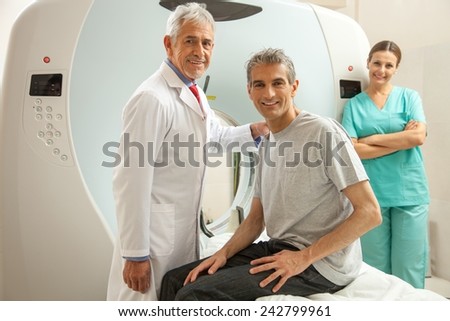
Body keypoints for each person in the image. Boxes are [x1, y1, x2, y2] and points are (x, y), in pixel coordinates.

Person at [159, 48, 382, 300]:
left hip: (323, 264)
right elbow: (256, 219)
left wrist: (302, 258)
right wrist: (223, 253)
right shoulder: (267, 142)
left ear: (293, 87)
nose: (269, 93)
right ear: (249, 91)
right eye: (260, 85)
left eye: (278, 83)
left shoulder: (323, 132)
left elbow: (370, 213)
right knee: (174, 280)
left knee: (193, 295)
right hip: (279, 247)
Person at [106, 2, 267, 301]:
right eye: (190, 40)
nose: (200, 51)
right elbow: (131, 180)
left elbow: (213, 138)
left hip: (181, 231)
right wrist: (135, 254)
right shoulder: (151, 99)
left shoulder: (194, 90)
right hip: (153, 241)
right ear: (169, 44)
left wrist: (254, 131)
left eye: (207, 43)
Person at [341, 40, 430, 289]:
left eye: (389, 65)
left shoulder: (409, 97)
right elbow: (353, 151)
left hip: (409, 192)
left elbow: (418, 137)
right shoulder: (355, 105)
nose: (381, 70)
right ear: (368, 63)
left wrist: (373, 139)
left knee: (409, 265)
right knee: (376, 267)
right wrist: (401, 141)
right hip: (372, 195)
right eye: (377, 63)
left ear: (396, 68)